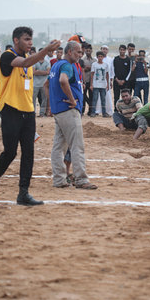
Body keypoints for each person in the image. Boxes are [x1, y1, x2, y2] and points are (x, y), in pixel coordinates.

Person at [0, 27, 61, 203]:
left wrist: (45, 51)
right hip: (11, 110)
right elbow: (24, 63)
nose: (30, 42)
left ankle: (23, 193)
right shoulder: (7, 56)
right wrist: (46, 50)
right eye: (26, 39)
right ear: (16, 40)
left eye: (31, 39)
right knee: (11, 152)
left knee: (29, 153)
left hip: (28, 111)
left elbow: (29, 65)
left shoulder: (29, 59)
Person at [49, 40, 98, 190]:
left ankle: (59, 179)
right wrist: (72, 100)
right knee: (77, 146)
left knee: (58, 147)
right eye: (78, 52)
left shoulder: (56, 65)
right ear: (70, 52)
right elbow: (63, 80)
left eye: (81, 53)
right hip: (68, 110)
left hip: (59, 110)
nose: (80, 55)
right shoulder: (66, 65)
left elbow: (52, 84)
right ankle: (81, 179)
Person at [90, 51, 110, 117]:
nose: (100, 58)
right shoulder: (94, 64)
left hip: (103, 85)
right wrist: (91, 84)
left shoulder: (106, 65)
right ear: (97, 57)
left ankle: (104, 113)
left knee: (103, 100)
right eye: (99, 56)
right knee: (94, 99)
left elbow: (107, 75)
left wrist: (108, 84)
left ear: (103, 57)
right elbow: (92, 75)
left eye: (101, 56)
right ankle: (93, 112)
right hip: (96, 84)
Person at [32, 49, 51, 117]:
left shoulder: (47, 62)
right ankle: (33, 112)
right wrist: (44, 72)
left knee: (44, 99)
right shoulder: (35, 62)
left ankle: (42, 113)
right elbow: (33, 72)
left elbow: (48, 72)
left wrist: (38, 72)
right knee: (33, 99)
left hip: (44, 84)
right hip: (35, 84)